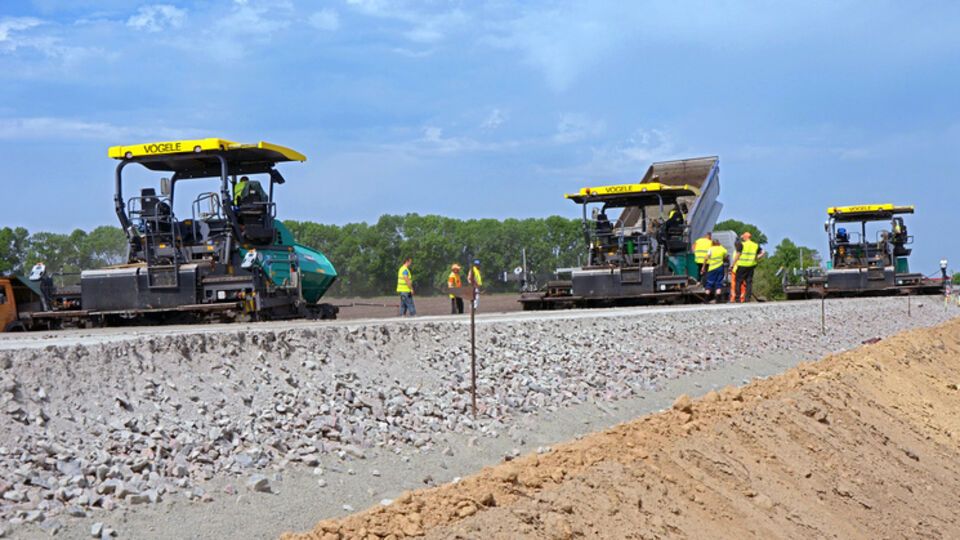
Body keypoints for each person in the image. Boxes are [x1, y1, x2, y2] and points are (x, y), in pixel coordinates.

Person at [730, 232, 763, 303]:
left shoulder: (742, 244)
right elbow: (762, 252)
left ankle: (737, 298)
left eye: (743, 237)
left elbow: (738, 254)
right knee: (749, 282)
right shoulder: (755, 245)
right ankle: (747, 299)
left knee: (738, 281)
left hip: (742, 265)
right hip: (751, 266)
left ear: (745, 237)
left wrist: (733, 264)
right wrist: (756, 258)